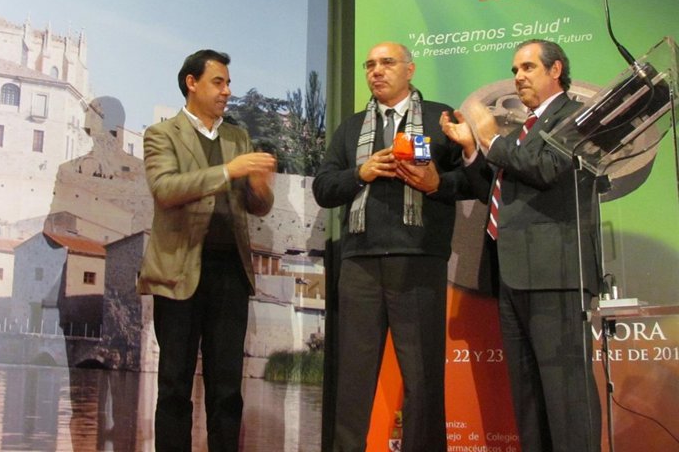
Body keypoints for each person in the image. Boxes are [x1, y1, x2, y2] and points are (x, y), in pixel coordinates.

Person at [440, 38, 601, 452]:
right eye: (514, 70)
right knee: (528, 398)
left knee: (566, 396)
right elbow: (495, 191)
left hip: (556, 275)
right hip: (513, 273)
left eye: (528, 68)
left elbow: (547, 168)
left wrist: (491, 139)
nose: (518, 77)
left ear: (556, 70)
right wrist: (472, 147)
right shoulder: (525, 129)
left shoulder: (576, 116)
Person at [313, 41, 469, 452]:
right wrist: (360, 173)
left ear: (410, 69)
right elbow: (323, 188)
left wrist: (437, 184)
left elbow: (477, 180)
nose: (376, 71)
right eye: (369, 65)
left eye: (386, 63)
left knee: (422, 377)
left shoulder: (440, 118)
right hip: (359, 263)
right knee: (353, 378)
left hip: (418, 260)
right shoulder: (351, 128)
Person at [137, 49, 276, 452]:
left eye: (229, 83)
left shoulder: (238, 137)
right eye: (218, 82)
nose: (227, 91)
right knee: (175, 385)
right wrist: (229, 171)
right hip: (178, 271)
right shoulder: (161, 134)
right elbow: (165, 189)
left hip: (230, 274)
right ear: (191, 83)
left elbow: (256, 207)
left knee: (227, 388)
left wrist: (260, 188)